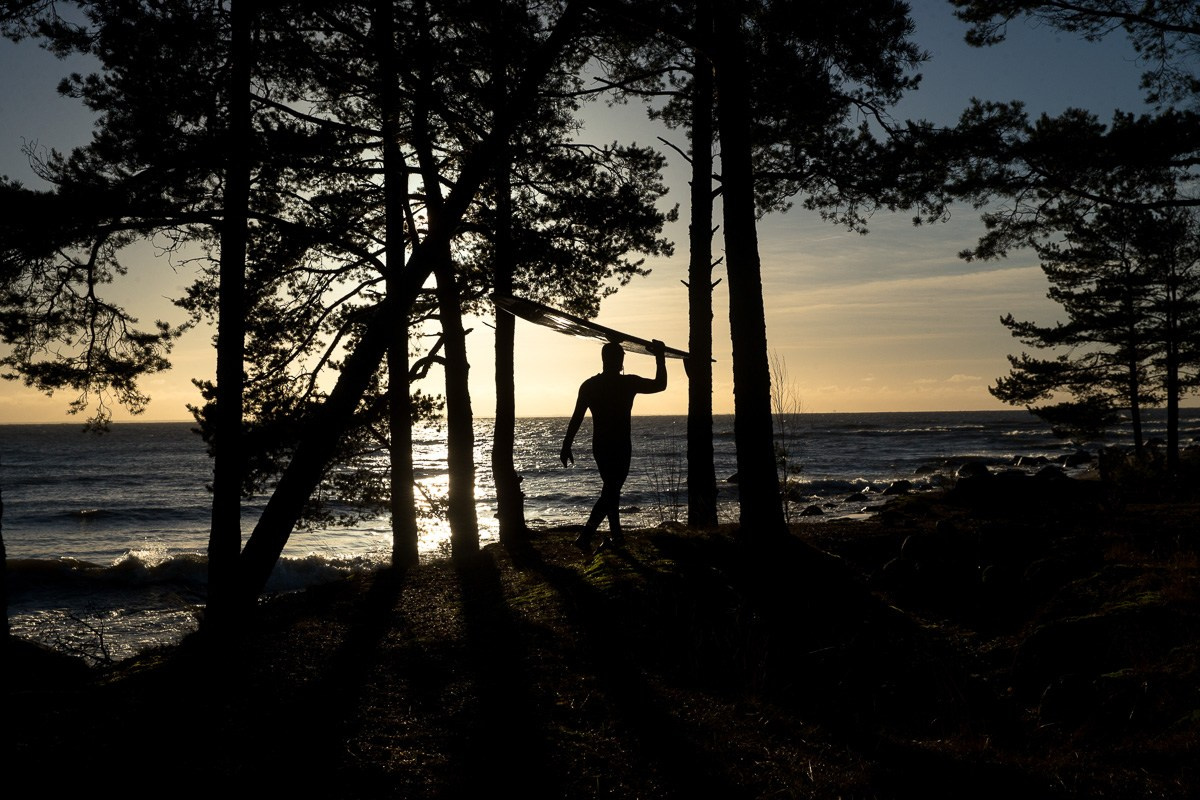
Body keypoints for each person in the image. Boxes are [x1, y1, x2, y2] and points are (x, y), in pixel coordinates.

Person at [561, 338, 667, 551]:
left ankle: (611, 538)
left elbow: (576, 419)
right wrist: (660, 357)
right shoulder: (628, 383)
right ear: (620, 361)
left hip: (601, 446)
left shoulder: (590, 385)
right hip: (620, 445)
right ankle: (589, 536)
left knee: (612, 490)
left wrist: (567, 445)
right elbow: (660, 384)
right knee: (612, 490)